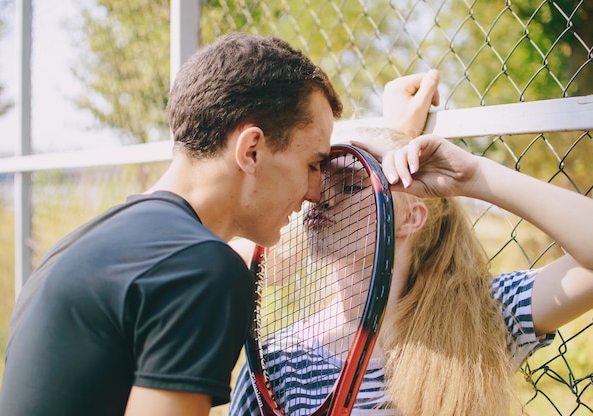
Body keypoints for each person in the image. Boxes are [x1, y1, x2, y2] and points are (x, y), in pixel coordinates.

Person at [0, 32, 345, 416]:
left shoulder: (87, 243)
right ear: (252, 150)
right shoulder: (200, 269)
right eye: (313, 164)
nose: (317, 190)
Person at [228, 87, 593, 415]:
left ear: (410, 219)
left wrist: (475, 178)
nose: (321, 197)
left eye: (352, 184)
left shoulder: (482, 315)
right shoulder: (276, 364)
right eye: (318, 178)